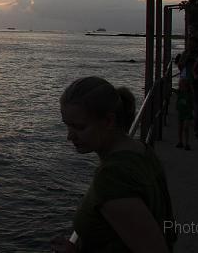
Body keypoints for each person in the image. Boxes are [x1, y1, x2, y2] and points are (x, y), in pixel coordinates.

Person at [51, 77, 175, 252]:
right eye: (67, 126)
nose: (69, 136)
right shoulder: (141, 150)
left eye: (79, 127)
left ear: (109, 121)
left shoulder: (113, 178)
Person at [174, 54, 193, 150]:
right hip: (182, 107)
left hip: (187, 107)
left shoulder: (185, 74)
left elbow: (188, 88)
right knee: (181, 126)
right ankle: (181, 142)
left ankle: (186, 142)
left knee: (185, 126)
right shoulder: (184, 74)